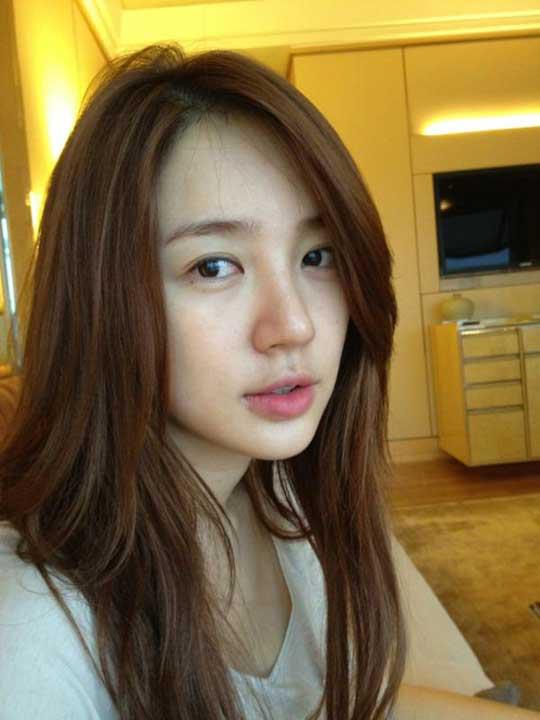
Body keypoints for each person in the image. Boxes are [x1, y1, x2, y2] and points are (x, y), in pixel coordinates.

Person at [0, 43, 538, 720]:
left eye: (317, 255)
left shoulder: (278, 492)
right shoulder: (34, 632)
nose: (294, 326)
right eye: (214, 266)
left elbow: (338, 707)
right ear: (100, 297)